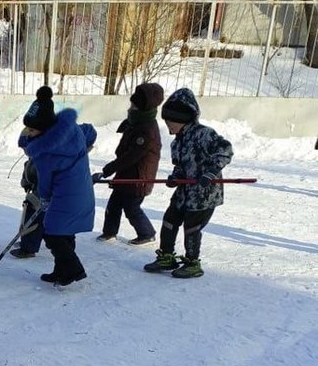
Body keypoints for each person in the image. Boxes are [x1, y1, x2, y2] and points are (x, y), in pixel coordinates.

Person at [144, 87, 233, 278]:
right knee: (169, 220)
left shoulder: (204, 134)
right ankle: (166, 256)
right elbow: (180, 166)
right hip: (185, 191)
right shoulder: (177, 142)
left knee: (191, 227)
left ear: (182, 119)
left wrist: (211, 172)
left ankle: (193, 263)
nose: (168, 125)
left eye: (170, 121)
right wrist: (176, 177)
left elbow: (225, 150)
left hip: (204, 193)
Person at [18, 86, 96, 287]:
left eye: (32, 130)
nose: (29, 133)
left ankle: (73, 269)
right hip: (81, 190)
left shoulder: (46, 152)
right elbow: (90, 131)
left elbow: (45, 182)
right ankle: (61, 271)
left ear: (44, 129)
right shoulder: (72, 131)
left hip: (65, 195)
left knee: (52, 233)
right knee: (65, 231)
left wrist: (43, 199)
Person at [12, 122, 97, 259]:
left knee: (36, 211)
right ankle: (37, 245)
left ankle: (28, 248)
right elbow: (30, 167)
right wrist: (26, 181)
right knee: (47, 215)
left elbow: (44, 180)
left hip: (65, 194)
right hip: (66, 192)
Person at [93, 82, 163, 245]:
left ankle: (147, 233)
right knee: (114, 204)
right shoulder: (137, 122)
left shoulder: (147, 129)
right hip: (126, 174)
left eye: (134, 106)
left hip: (138, 176)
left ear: (142, 108)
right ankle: (109, 232)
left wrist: (108, 169)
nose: (130, 108)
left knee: (132, 207)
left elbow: (132, 156)